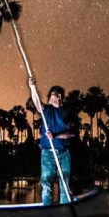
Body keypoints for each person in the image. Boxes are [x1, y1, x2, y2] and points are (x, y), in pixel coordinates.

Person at [27, 77, 76, 205]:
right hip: (48, 153)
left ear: (59, 97)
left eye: (52, 94)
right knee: (46, 182)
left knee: (64, 183)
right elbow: (37, 103)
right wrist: (32, 87)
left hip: (64, 153)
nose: (49, 96)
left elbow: (71, 134)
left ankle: (65, 208)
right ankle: (47, 208)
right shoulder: (47, 111)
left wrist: (55, 135)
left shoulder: (66, 113)